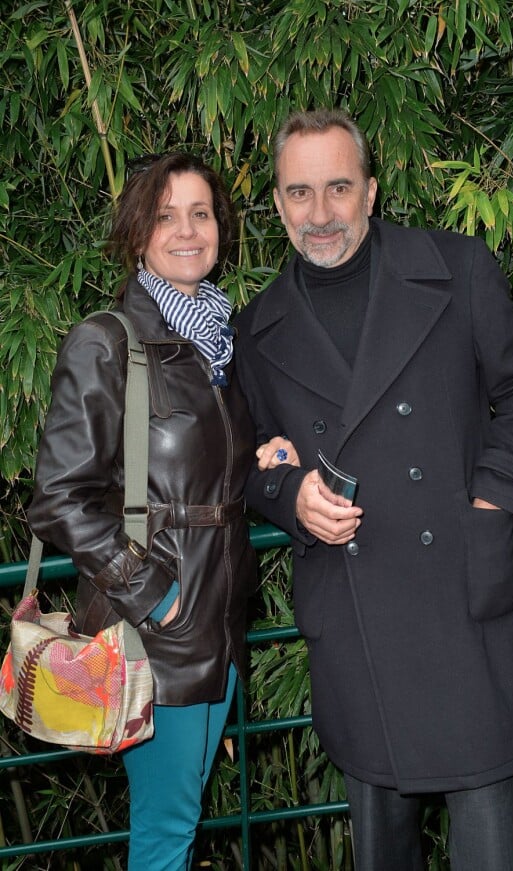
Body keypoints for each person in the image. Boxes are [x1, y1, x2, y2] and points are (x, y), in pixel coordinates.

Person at [235, 109, 513, 870]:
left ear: (372, 190)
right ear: (278, 203)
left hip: (466, 600)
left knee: (494, 851)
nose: (319, 214)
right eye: (299, 192)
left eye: (338, 187)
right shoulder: (258, 329)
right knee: (383, 852)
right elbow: (242, 457)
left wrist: (493, 498)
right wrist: (288, 494)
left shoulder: (456, 268)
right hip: (359, 633)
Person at [27, 152, 296, 871]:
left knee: (179, 820)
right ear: (137, 231)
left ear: (221, 227)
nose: (186, 230)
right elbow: (58, 492)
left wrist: (258, 456)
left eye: (201, 213)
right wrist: (155, 595)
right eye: (166, 214)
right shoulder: (108, 342)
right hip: (159, 633)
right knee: (167, 832)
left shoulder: (215, 344)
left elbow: (197, 466)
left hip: (223, 623)